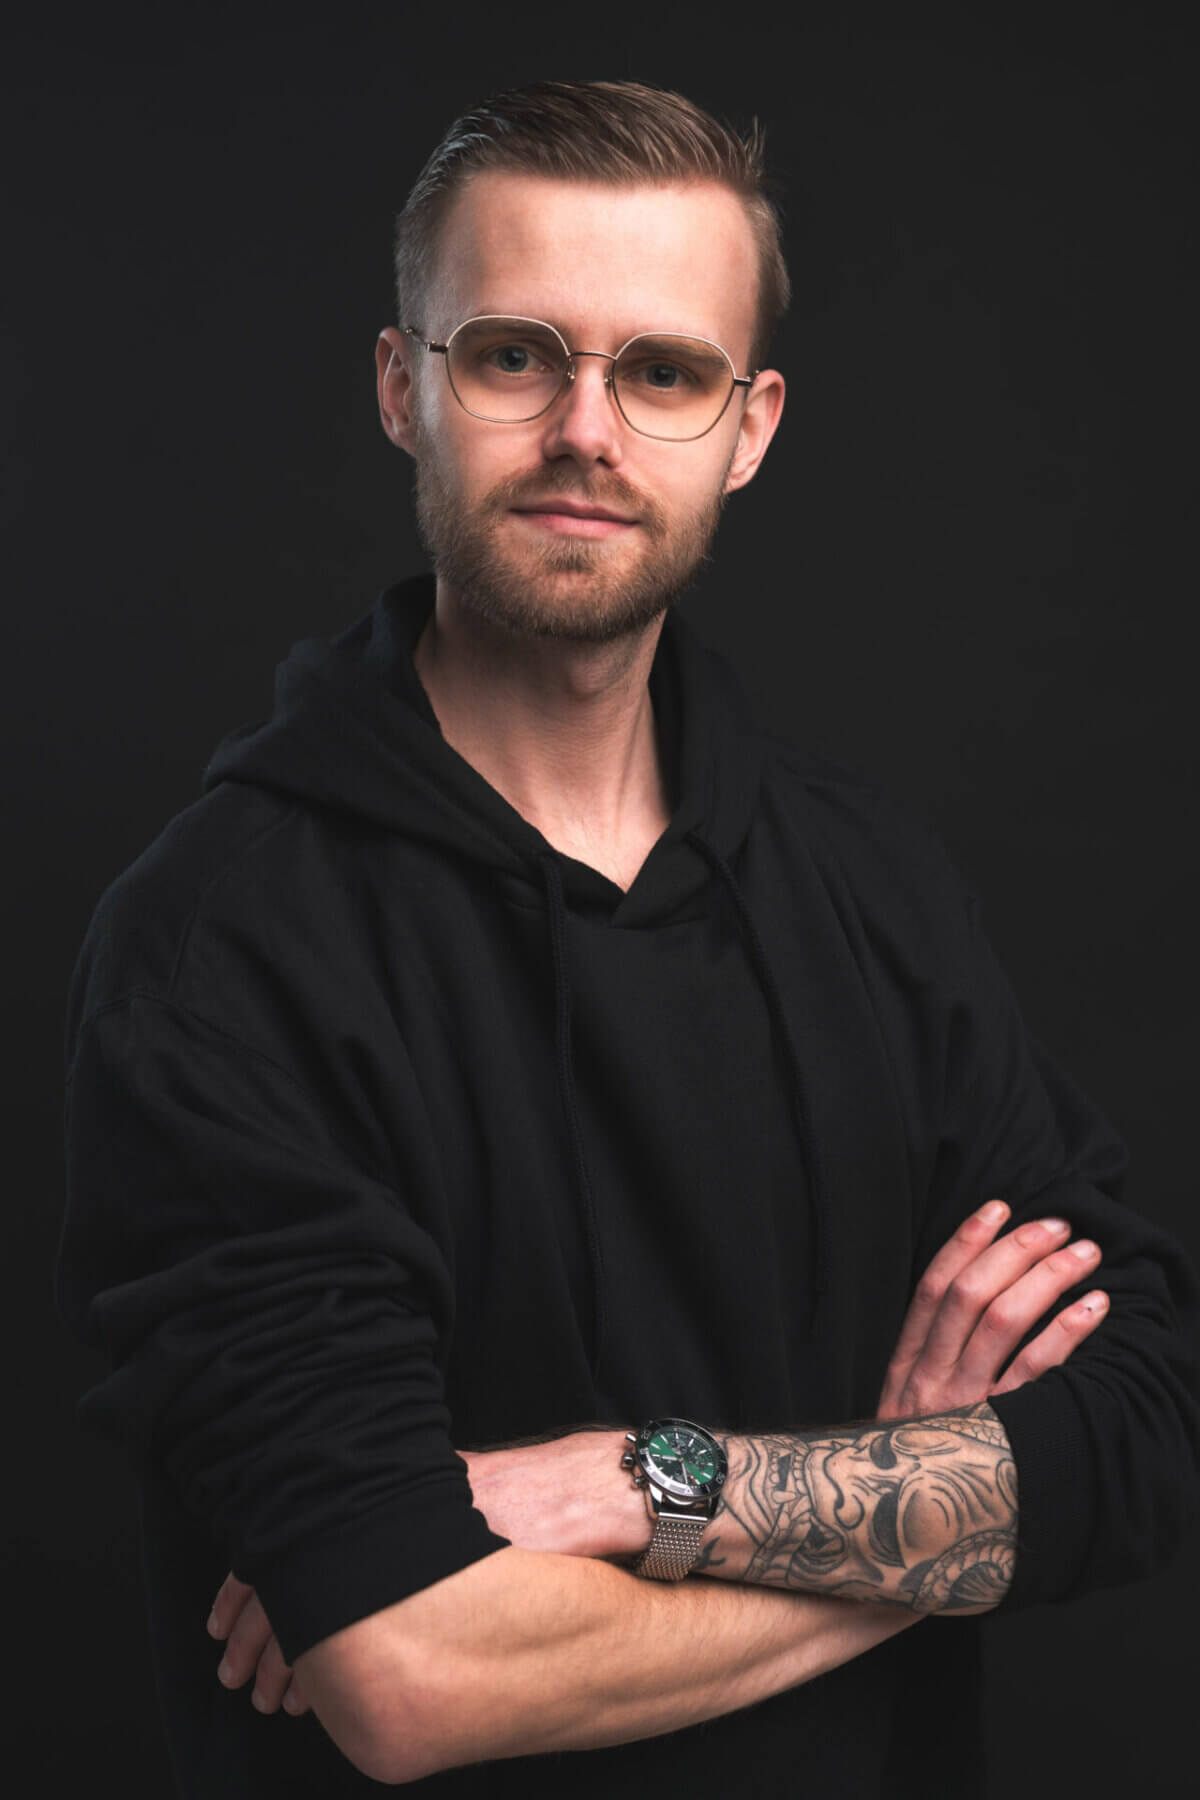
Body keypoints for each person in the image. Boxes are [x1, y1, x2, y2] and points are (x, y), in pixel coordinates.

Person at [56, 79, 1200, 1797]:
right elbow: (414, 1671)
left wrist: (625, 1483)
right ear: (403, 388)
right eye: (516, 356)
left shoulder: (875, 888)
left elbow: (1148, 1428)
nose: (586, 429)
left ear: (749, 427)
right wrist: (911, 1515)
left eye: (663, 373)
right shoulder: (220, 948)